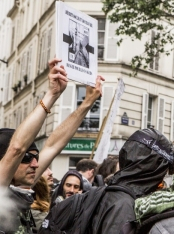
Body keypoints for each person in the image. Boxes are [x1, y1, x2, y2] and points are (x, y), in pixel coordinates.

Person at [0, 58, 103, 234]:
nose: (35, 164)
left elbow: (53, 146)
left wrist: (87, 102)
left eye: (36, 157)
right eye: (26, 158)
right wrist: (51, 94)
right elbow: (16, 148)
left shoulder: (20, 189)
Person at [89, 128, 174, 233]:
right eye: (165, 172)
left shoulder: (100, 194)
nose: (163, 181)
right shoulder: (126, 206)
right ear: (154, 170)